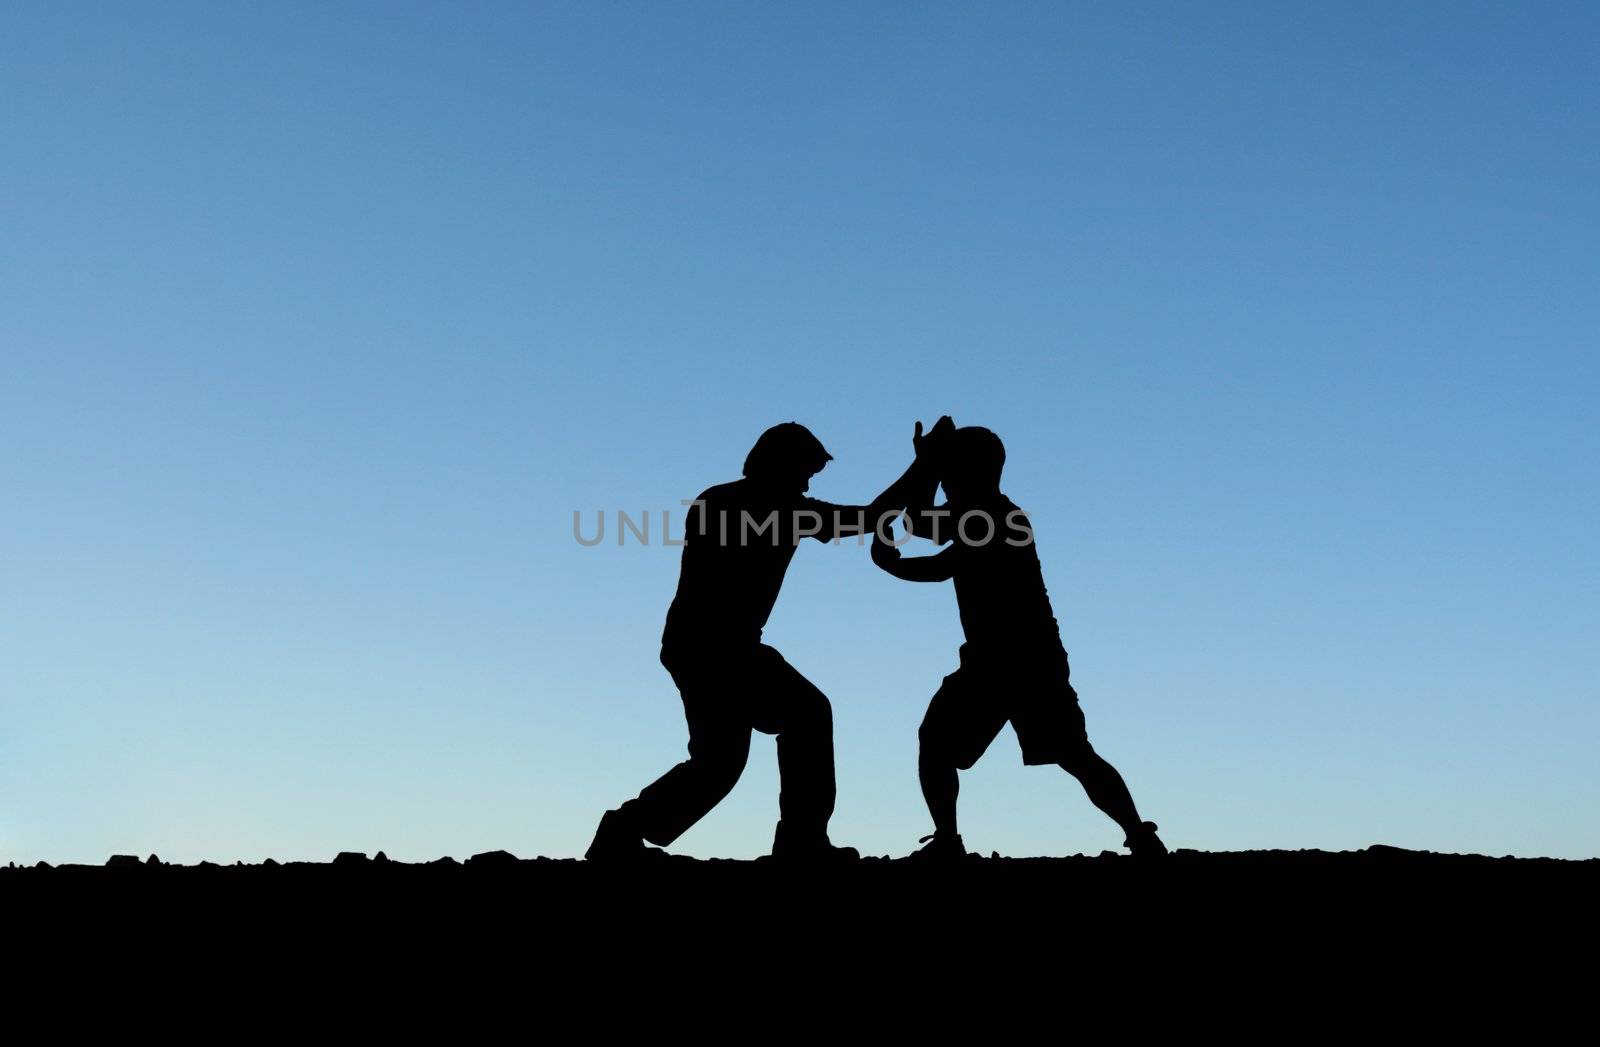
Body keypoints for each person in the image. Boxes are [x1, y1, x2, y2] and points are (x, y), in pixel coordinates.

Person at [585, 420, 944, 861]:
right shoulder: (758, 507)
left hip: (705, 646)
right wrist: (925, 464)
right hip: (716, 648)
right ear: (780, 465)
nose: (807, 481)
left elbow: (870, 516)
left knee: (719, 763)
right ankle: (801, 840)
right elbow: (871, 517)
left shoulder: (734, 501)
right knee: (803, 716)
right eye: (805, 471)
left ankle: (623, 829)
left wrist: (924, 467)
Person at [870, 423, 1168, 859]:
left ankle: (949, 843)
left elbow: (933, 553)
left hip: (1008, 661)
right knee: (1072, 755)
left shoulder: (994, 517)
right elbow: (921, 522)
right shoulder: (987, 512)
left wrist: (893, 561)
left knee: (945, 744)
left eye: (951, 469)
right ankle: (1140, 836)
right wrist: (929, 464)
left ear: (967, 471)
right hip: (1021, 659)